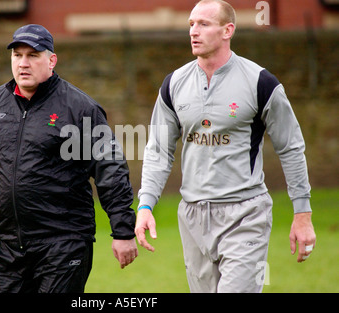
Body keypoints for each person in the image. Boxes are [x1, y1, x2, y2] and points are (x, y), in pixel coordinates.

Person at [135, 0, 316, 293]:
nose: (194, 31)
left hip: (246, 214)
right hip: (193, 215)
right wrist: (145, 205)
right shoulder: (173, 84)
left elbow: (291, 147)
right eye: (191, 24)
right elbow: (158, 150)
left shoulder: (261, 82)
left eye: (204, 24)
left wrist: (302, 214)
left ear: (227, 30)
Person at [0, 24, 138, 293]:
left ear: (51, 60)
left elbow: (111, 170)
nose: (23, 63)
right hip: (10, 247)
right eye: (17, 55)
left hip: (64, 244)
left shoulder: (79, 109)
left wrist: (123, 230)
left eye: (33, 55)